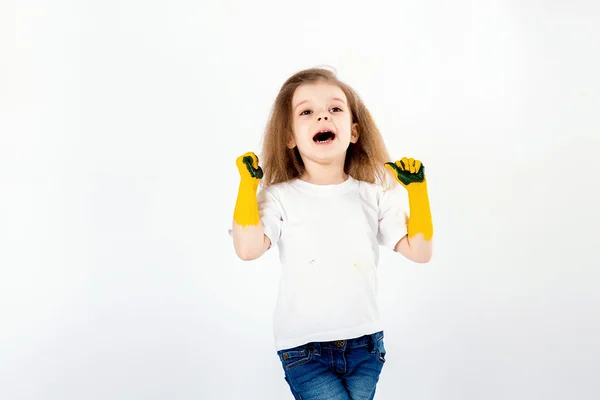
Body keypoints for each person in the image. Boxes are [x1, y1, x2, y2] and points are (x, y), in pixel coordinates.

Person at [231, 67, 434, 400]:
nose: (322, 116)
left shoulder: (374, 195)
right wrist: (247, 186)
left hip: (367, 344)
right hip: (304, 350)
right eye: (307, 112)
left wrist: (418, 193)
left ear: (354, 131)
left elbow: (420, 251)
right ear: (290, 136)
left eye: (335, 108)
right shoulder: (278, 197)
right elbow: (248, 248)